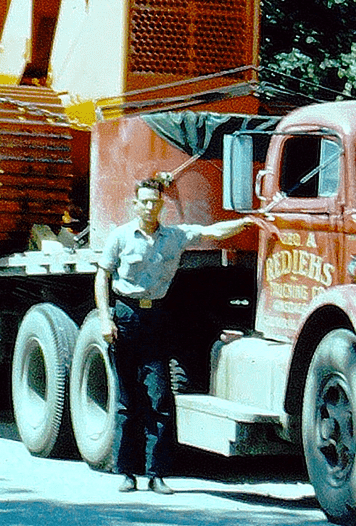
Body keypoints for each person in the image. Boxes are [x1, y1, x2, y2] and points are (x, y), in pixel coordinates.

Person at [94, 174, 257, 494]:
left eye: (155, 202)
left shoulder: (175, 236)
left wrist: (245, 223)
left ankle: (156, 475)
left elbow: (212, 231)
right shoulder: (120, 237)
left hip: (156, 318)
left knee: (160, 397)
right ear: (135, 204)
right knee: (128, 401)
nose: (150, 206)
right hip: (125, 317)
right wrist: (104, 318)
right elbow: (102, 277)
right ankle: (127, 472)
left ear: (161, 206)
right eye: (144, 201)